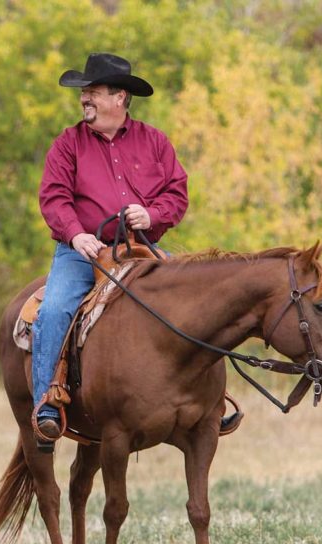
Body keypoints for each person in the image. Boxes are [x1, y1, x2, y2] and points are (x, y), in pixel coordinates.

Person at [32, 52, 191, 441]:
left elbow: (177, 193)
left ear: (119, 98)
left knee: (192, 300)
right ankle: (46, 406)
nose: (84, 99)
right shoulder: (68, 144)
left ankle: (206, 401)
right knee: (54, 309)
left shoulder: (154, 141)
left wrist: (151, 216)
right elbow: (53, 198)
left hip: (139, 249)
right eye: (83, 93)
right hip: (82, 252)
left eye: (93, 92)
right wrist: (75, 234)